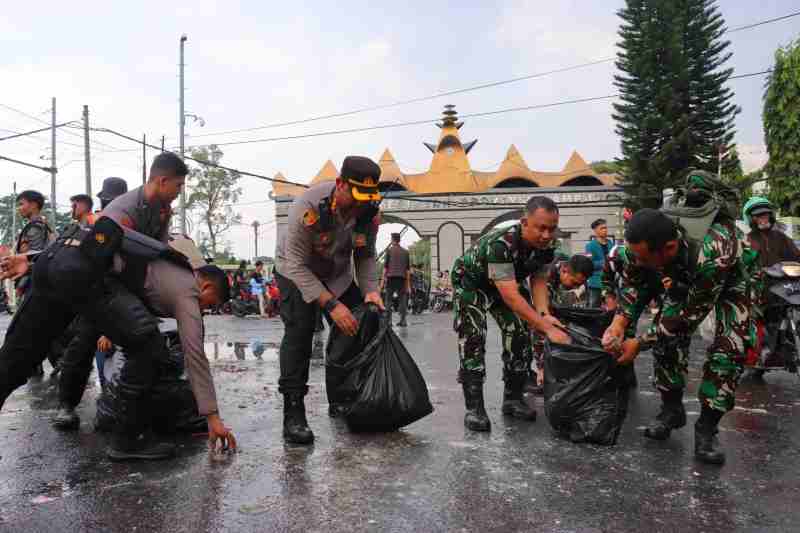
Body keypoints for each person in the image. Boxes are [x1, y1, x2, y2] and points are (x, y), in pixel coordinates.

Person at [0, 153, 236, 460]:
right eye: (178, 186)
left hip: (64, 266)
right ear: (162, 181)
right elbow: (91, 248)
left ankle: (114, 428)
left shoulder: (161, 213)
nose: (179, 193)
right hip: (83, 272)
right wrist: (213, 417)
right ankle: (127, 439)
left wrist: (35, 262)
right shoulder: (123, 210)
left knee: (19, 355)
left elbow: (140, 256)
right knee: (148, 346)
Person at [601, 203, 756, 465]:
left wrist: (638, 343)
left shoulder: (713, 253)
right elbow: (631, 283)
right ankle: (672, 410)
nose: (638, 262)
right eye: (634, 255)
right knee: (666, 344)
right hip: (681, 274)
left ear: (669, 248)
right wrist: (618, 323)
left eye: (644, 259)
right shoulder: (639, 247)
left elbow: (686, 318)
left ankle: (707, 429)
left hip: (731, 278)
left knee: (729, 352)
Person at [274, 155, 383, 444]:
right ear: (340, 185)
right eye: (356, 196)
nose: (360, 204)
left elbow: (365, 254)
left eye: (367, 198)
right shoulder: (307, 208)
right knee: (300, 333)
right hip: (295, 272)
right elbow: (297, 266)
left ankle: (342, 399)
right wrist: (331, 305)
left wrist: (371, 288)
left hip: (336, 273)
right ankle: (294, 412)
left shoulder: (368, 212)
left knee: (357, 323)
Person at [451, 196, 570, 432]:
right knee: (473, 338)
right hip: (472, 282)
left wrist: (544, 313)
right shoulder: (501, 244)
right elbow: (511, 298)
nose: (547, 235)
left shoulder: (548, 246)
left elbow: (538, 279)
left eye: (552, 228)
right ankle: (474, 408)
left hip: (507, 283)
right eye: (541, 228)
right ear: (524, 222)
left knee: (519, 333)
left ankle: (513, 399)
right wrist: (547, 329)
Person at [55, 178, 130, 428]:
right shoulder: (90, 225)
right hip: (91, 297)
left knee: (142, 349)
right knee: (80, 349)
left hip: (122, 298)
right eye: (105, 200)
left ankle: (123, 405)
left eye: (111, 200)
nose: (107, 204)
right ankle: (66, 405)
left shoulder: (133, 224)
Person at [15, 189, 56, 377]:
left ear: (33, 204)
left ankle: (52, 363)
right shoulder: (41, 225)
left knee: (32, 326)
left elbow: (35, 256)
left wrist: (22, 283)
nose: (19, 208)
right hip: (37, 283)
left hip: (34, 283)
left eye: (22, 204)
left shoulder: (35, 227)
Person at [383, 232, 411, 327]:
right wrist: (407, 285)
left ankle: (389, 321)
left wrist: (382, 283)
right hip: (402, 279)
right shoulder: (405, 252)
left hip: (391, 278)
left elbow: (385, 268)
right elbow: (407, 271)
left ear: (392, 240)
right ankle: (403, 321)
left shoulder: (389, 251)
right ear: (399, 240)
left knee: (388, 300)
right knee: (402, 300)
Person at [585, 218, 614, 308]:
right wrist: (606, 262)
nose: (605, 230)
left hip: (610, 282)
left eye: (606, 228)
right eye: (602, 228)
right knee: (593, 307)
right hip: (596, 283)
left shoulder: (610, 243)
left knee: (612, 307)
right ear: (595, 230)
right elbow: (590, 264)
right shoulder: (590, 246)